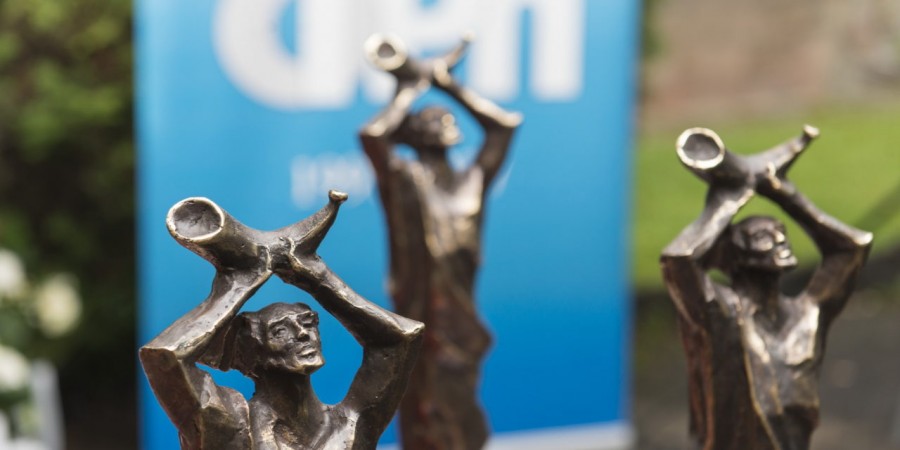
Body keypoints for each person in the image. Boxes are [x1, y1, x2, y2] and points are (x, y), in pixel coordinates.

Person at [140, 191, 424, 450]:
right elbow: (165, 357)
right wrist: (237, 285)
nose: (303, 334)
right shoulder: (232, 427)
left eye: (309, 322)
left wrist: (318, 278)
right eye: (280, 331)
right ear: (253, 354)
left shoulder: (351, 424)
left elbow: (401, 339)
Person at [661, 127, 872, 450]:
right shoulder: (724, 316)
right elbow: (679, 261)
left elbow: (853, 248)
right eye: (762, 237)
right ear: (737, 258)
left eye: (780, 233)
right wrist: (726, 202)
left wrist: (785, 193)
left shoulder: (809, 315)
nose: (780, 242)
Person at [359, 34, 522, 450]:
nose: (443, 120)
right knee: (424, 410)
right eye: (431, 118)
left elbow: (504, 126)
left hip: (460, 319)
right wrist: (409, 87)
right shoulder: (403, 180)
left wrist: (449, 84)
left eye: (446, 117)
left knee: (461, 412)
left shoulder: (472, 181)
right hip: (418, 317)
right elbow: (373, 135)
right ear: (414, 134)